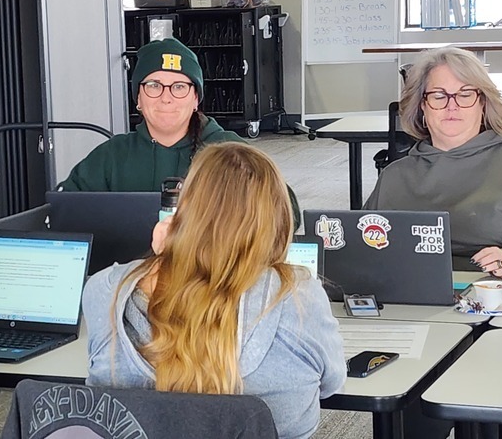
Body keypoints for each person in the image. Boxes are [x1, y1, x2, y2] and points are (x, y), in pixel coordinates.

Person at [83, 142, 345, 439]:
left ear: (182, 211)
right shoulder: (299, 297)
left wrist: (163, 257)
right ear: (277, 219)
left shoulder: (105, 290)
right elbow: (332, 384)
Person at [364, 47, 502, 279]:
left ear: (483, 103)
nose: (452, 106)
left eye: (465, 94)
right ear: (422, 106)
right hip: (409, 291)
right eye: (438, 96)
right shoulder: (395, 175)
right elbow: (359, 242)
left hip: (496, 292)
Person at [59, 37, 301, 225]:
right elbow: (62, 211)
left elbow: (286, 213)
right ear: (138, 98)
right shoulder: (112, 156)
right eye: (154, 86)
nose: (166, 98)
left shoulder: (228, 151)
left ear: (196, 98)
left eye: (179, 87)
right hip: (130, 275)